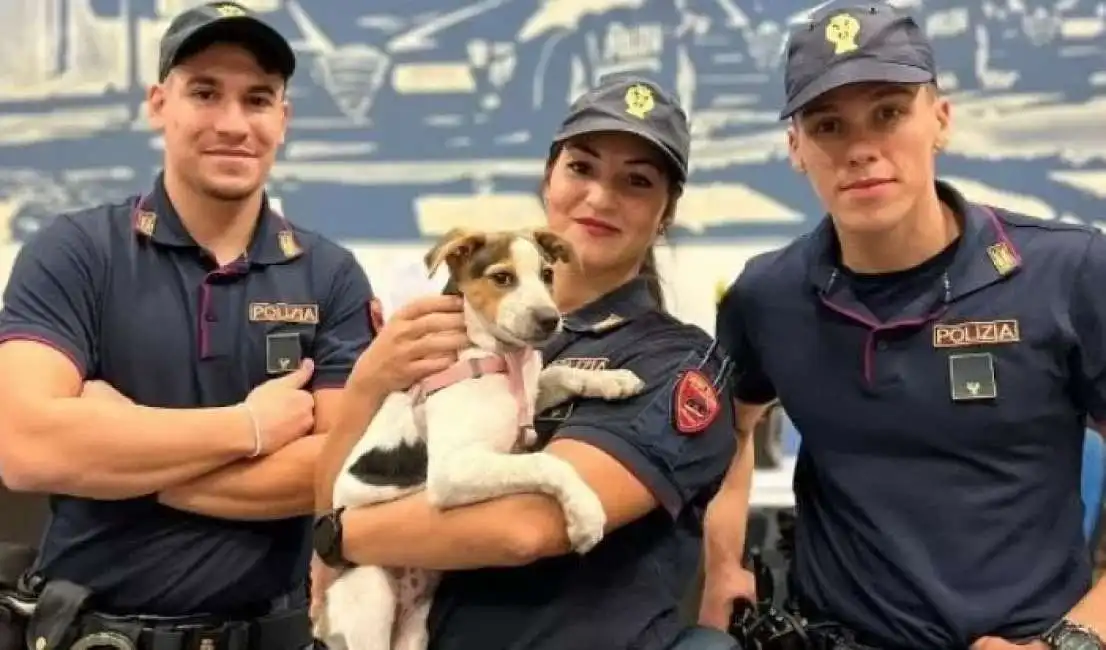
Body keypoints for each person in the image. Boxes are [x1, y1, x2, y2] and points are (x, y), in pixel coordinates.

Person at [701, 3, 1106, 650]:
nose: (860, 149)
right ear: (795, 149)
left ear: (940, 120)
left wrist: (1076, 640)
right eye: (828, 125)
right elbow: (727, 430)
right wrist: (721, 566)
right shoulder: (766, 295)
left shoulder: (1069, 270)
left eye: (889, 113)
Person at [311, 75, 739, 650]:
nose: (601, 197)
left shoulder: (671, 363)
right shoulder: (447, 333)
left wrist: (339, 538)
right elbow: (339, 485)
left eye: (636, 182)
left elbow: (523, 527)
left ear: (665, 215)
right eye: (581, 168)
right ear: (548, 180)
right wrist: (367, 386)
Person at [0, 2, 374, 648]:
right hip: (92, 636)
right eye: (204, 93)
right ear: (158, 104)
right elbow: (27, 450)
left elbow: (337, 474)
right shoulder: (75, 252)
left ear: (282, 120)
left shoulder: (331, 276)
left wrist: (118, 451)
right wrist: (249, 428)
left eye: (257, 99)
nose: (233, 124)